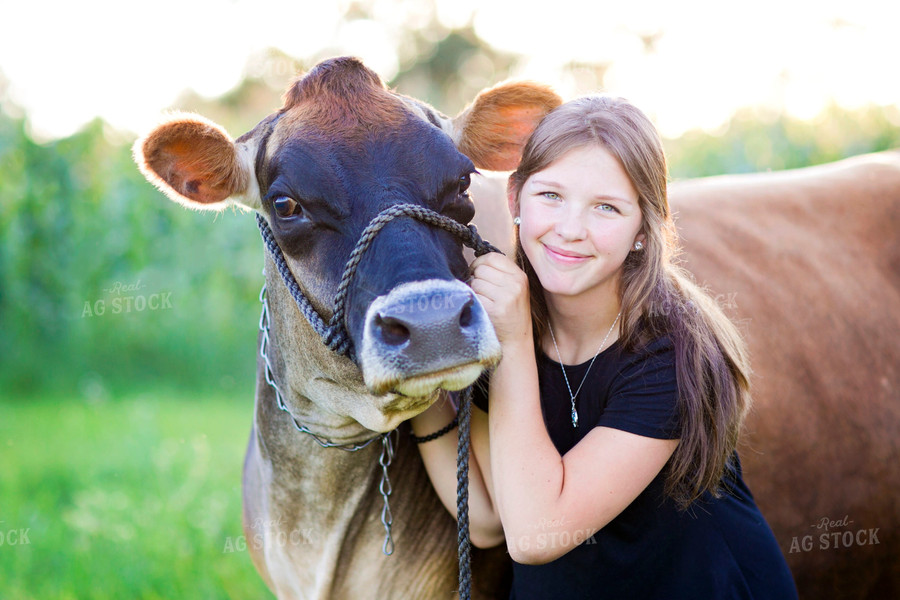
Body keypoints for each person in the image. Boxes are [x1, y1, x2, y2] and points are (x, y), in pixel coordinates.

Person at [410, 94, 798, 599]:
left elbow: (534, 534)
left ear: (643, 229)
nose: (570, 230)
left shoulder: (673, 356)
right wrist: (417, 388)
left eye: (606, 208)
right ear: (514, 201)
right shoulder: (505, 316)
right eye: (550, 196)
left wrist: (512, 344)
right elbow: (487, 519)